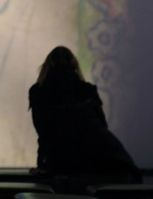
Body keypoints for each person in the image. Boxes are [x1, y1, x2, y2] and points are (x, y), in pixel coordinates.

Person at [29, 46, 140, 182]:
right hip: (107, 159)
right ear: (74, 65)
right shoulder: (87, 90)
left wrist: (45, 164)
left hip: (63, 163)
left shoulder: (38, 92)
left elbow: (43, 132)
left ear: (47, 66)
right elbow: (101, 125)